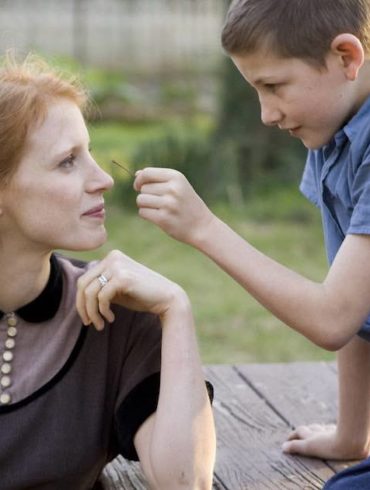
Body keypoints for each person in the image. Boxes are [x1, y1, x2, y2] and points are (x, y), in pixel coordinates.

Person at [133, 0, 370, 487]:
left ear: (347, 57)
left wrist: (203, 227)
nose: (265, 114)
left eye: (273, 86)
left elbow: (332, 318)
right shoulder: (332, 139)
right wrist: (351, 437)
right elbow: (357, 312)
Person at [0, 53, 216, 490]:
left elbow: (186, 483)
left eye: (90, 153)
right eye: (67, 161)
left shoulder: (114, 313)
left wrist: (176, 309)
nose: (103, 179)